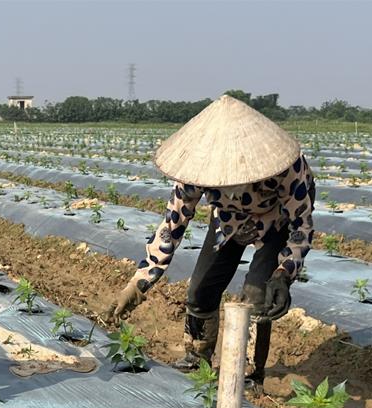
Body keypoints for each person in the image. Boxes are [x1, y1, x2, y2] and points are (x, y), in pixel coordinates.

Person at [109, 95, 315, 386]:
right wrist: (140, 282)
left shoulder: (288, 169)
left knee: (257, 295)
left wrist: (284, 273)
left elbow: (301, 224)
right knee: (200, 290)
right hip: (229, 219)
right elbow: (173, 225)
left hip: (277, 219)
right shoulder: (195, 173)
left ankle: (249, 373)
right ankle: (197, 357)